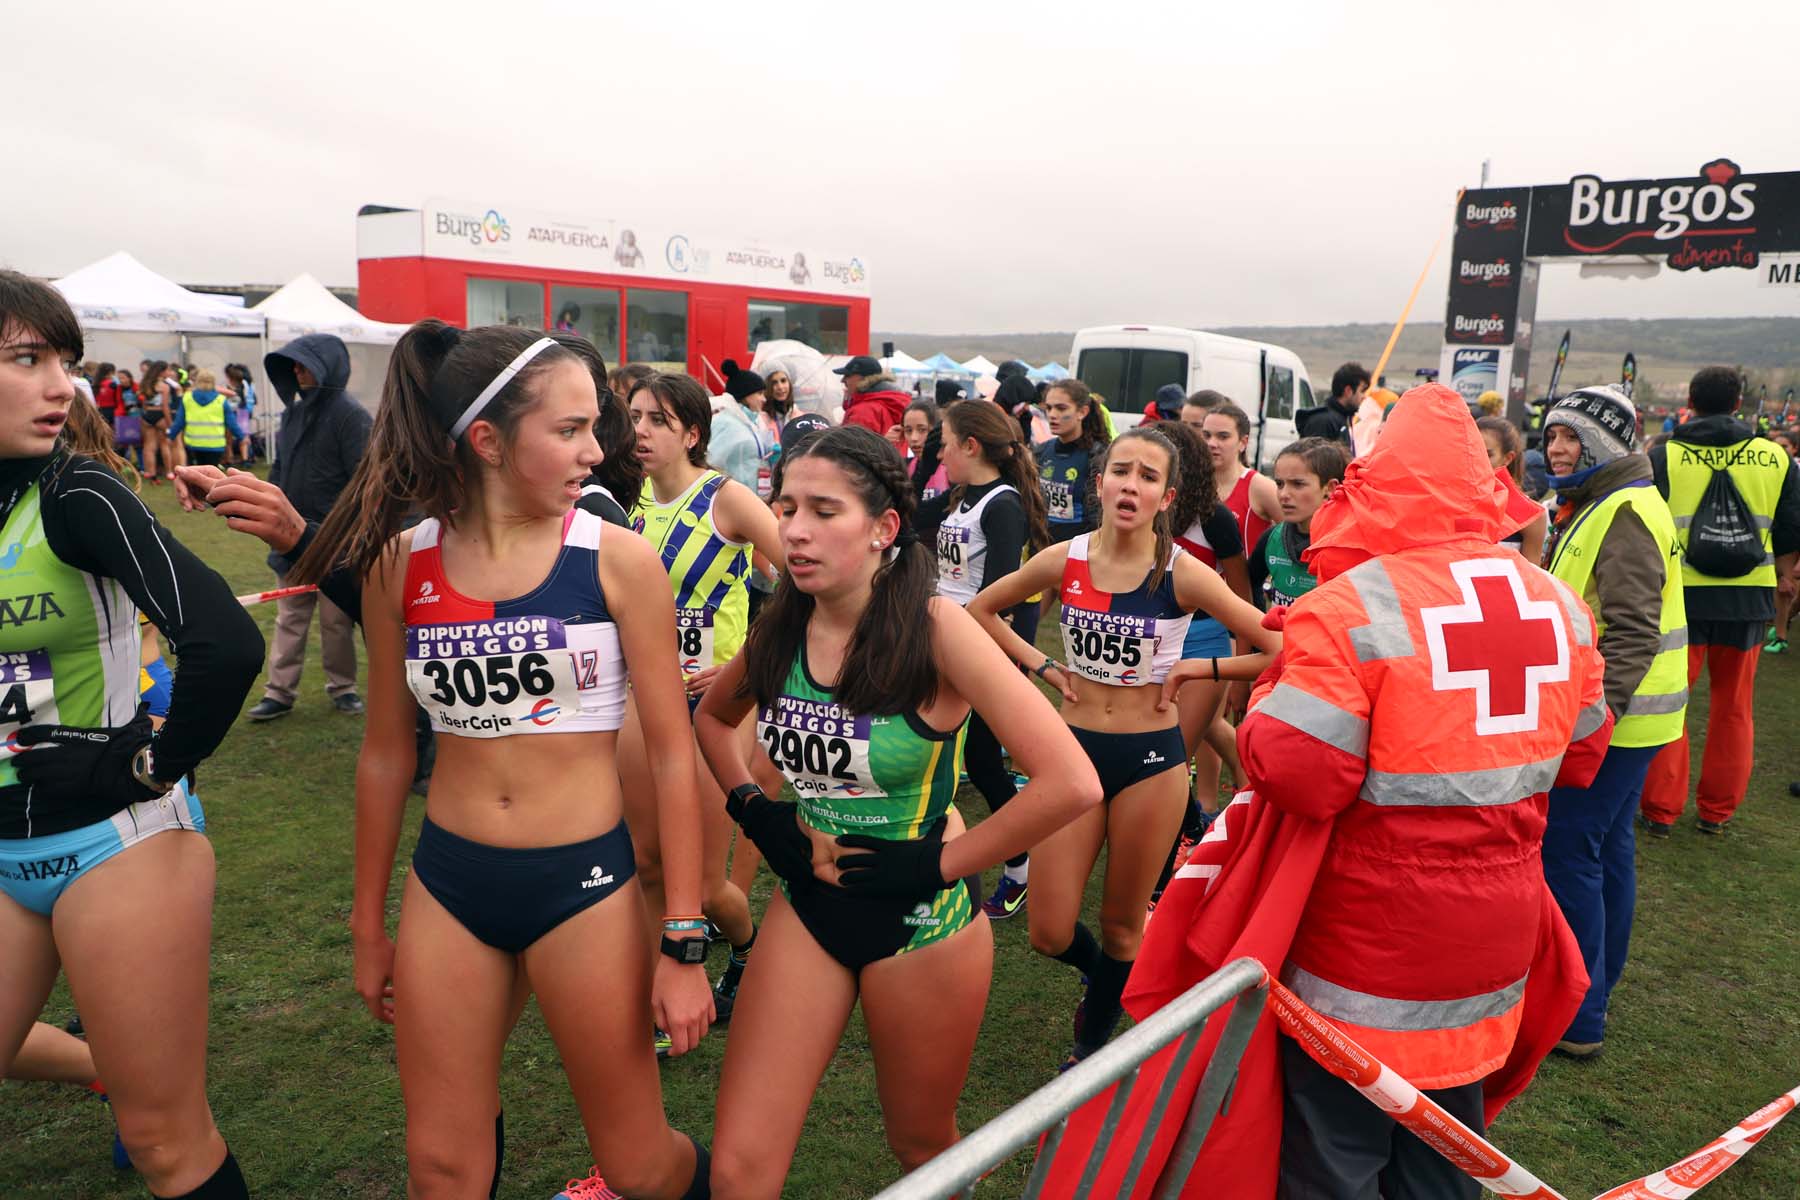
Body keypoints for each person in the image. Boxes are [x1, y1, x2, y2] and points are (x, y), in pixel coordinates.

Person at [290, 321, 714, 1200]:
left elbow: (676, 758)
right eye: (569, 431)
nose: (598, 451)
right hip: (451, 885)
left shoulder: (619, 561)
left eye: (595, 426)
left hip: (585, 888)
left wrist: (681, 935)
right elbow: (384, 756)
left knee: (639, 1166)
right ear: (486, 440)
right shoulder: (397, 568)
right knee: (441, 1166)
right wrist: (369, 927)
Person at [1226, 383, 1613, 1198]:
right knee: (1444, 1149)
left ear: (1378, 484)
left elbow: (1302, 774)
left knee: (1335, 1151)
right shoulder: (1561, 606)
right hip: (1498, 934)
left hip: (1368, 937)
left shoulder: (1346, 606)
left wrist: (1268, 694)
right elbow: (1582, 755)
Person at [693, 424, 1101, 1197]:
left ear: (883, 529)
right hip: (810, 906)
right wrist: (758, 813)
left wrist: (938, 862)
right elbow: (713, 720)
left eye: (823, 510)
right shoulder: (782, 621)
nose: (795, 530)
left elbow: (1068, 782)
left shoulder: (937, 627)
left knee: (922, 1147)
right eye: (786, 508)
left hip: (924, 921)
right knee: (740, 1169)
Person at [0, 269, 264, 1198]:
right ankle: (98, 1063)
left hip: (117, 844)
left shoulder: (78, 495)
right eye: (26, 359)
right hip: (4, 846)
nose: (59, 386)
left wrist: (153, 763)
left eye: (61, 362)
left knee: (163, 1140)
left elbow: (226, 644)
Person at [970, 423, 1278, 1067]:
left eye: (1147, 477)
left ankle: (1090, 1045)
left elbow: (1280, 647)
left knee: (1122, 924)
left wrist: (1203, 669)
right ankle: (1101, 978)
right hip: (1071, 757)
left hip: (1151, 763)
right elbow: (981, 613)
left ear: (1167, 497)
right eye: (1121, 471)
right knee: (1049, 931)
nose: (1130, 485)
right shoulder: (1065, 557)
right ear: (1101, 481)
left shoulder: (1182, 572)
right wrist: (1046, 668)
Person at [626, 371, 784, 1035]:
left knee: (708, 884)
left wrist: (741, 664)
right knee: (645, 863)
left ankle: (747, 951)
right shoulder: (625, 503)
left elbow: (804, 585)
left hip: (715, 707)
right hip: (642, 699)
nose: (639, 430)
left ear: (692, 433)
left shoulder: (728, 500)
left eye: (656, 420)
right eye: (633, 417)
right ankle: (653, 1000)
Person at [1539, 388, 1687, 1057]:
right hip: (1640, 718)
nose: (1557, 449)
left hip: (1616, 720)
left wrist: (1597, 720)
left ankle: (1577, 1015)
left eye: (1570, 438)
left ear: (1603, 442)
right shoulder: (1612, 499)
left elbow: (1631, 630)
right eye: (1550, 438)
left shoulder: (1622, 508)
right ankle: (1598, 987)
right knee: (1608, 851)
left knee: (1570, 851)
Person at [1640, 366, 1800, 835]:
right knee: (1735, 707)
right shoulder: (1775, 457)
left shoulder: (1664, 456)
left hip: (1680, 598)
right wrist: (1783, 574)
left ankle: (1659, 809)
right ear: (1739, 403)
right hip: (1748, 601)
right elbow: (1791, 528)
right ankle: (1716, 812)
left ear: (1689, 401)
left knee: (1671, 703)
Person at [914, 401, 1048, 920]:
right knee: (939, 756)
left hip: (979, 650)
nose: (939, 452)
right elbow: (906, 513)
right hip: (945, 644)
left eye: (944, 443)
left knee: (985, 764)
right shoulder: (963, 495)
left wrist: (970, 650)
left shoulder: (1003, 505)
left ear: (971, 446)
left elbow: (998, 595)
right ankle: (939, 861)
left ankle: (1019, 867)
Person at [246, 334, 370, 722]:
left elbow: (365, 482)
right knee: (290, 617)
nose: (296, 372)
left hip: (337, 543)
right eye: (293, 367)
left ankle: (343, 688)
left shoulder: (352, 416)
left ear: (325, 367)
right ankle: (279, 692)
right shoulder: (293, 413)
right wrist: (273, 516)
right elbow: (280, 468)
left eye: (302, 365)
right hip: (290, 540)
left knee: (337, 622)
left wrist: (347, 536)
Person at [1247, 437, 1348, 611]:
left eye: (1298, 484)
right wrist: (1261, 629)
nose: (1284, 494)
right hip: (1278, 639)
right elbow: (1248, 585)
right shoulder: (1273, 538)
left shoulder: (1348, 546)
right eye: (1279, 484)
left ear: (1330, 488)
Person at [1035, 379, 1110, 542]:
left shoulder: (1098, 456)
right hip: (1042, 549)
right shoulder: (1041, 451)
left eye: (1061, 408)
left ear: (1082, 412)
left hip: (1079, 551)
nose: (1052, 415)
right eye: (1048, 408)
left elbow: (1100, 515)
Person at [1479, 416, 1547, 564]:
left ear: (1508, 458)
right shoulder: (1451, 503)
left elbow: (1531, 580)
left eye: (1488, 454)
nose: (1478, 460)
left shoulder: (1531, 515)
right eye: (1473, 451)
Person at [709, 360, 779, 502]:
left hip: (751, 498)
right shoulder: (725, 422)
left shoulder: (751, 422)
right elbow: (710, 463)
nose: (764, 399)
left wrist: (769, 455)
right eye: (759, 393)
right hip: (732, 502)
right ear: (745, 395)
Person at [167, 369, 244, 468]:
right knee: (212, 472)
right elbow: (231, 422)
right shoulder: (220, 400)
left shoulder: (187, 398)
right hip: (215, 444)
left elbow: (179, 421)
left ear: (197, 381)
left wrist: (171, 436)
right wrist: (241, 437)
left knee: (197, 473)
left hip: (194, 443)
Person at [834, 355, 909, 440]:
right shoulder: (889, 401)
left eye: (847, 375)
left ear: (862, 378)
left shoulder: (863, 411)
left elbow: (852, 449)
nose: (842, 380)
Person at [1296, 361, 1370, 445]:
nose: (1364, 396)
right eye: (1362, 391)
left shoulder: (1340, 419)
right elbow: (1315, 457)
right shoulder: (1322, 422)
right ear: (1348, 391)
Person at [901, 399, 949, 501]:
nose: (914, 438)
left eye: (922, 430)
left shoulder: (952, 469)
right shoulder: (903, 467)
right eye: (908, 430)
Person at [139, 360, 174, 484]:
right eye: (167, 370)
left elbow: (143, 403)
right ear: (162, 371)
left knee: (149, 446)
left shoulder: (145, 384)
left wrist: (144, 415)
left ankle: (151, 473)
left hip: (147, 414)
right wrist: (170, 424)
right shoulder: (164, 386)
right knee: (164, 444)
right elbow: (165, 407)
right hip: (160, 414)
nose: (169, 372)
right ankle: (169, 472)